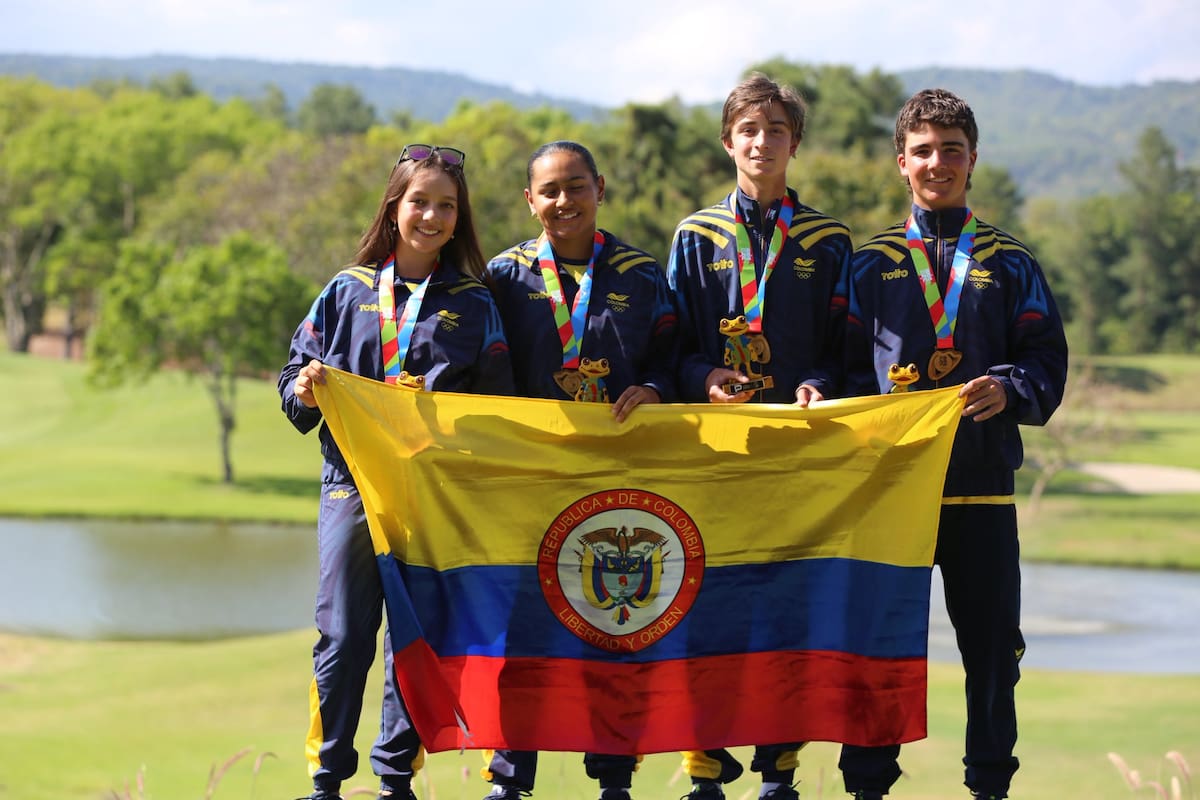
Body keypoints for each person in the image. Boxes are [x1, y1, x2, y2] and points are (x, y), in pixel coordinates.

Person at [838, 89, 1068, 800]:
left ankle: (989, 787)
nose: (938, 163)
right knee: (875, 648)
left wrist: (1010, 388)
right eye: (924, 151)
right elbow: (843, 370)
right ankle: (867, 787)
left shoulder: (1011, 261)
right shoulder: (868, 263)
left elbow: (1045, 360)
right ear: (901, 161)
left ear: (973, 159)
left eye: (952, 150)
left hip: (982, 488)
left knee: (994, 651)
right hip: (890, 495)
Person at [278, 144, 514, 800]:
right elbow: (292, 377)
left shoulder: (475, 302)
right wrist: (305, 389)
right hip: (351, 488)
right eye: (420, 202)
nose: (432, 216)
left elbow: (499, 406)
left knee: (414, 639)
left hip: (432, 495)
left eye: (446, 206)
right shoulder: (345, 291)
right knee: (342, 635)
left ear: (460, 217)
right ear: (393, 207)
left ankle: (394, 781)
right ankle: (326, 780)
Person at [666, 74, 853, 800]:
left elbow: (847, 349)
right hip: (713, 455)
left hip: (795, 458)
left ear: (794, 143)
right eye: (749, 129)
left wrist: (820, 384)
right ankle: (704, 768)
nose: (762, 142)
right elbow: (670, 348)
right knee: (704, 605)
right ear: (727, 141)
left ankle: (780, 768)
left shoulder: (829, 241)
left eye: (776, 130)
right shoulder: (694, 236)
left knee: (786, 609)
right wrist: (704, 375)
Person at [480, 140, 679, 800]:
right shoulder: (503, 276)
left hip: (617, 482)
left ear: (601, 188)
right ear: (529, 200)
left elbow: (674, 358)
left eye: (576, 186)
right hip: (530, 482)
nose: (564, 200)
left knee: (614, 624)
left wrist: (654, 388)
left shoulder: (642, 275)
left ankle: (615, 778)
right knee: (523, 634)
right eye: (550, 190)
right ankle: (510, 778)